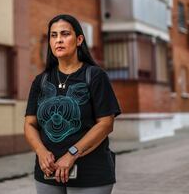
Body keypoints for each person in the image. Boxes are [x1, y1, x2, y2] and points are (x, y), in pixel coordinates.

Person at [24, 14, 121, 194]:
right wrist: (41, 152)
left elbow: (106, 124)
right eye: (53, 35)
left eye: (65, 34)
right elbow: (30, 124)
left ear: (79, 40)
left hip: (91, 173)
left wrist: (71, 154)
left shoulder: (95, 76)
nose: (58, 40)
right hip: (48, 172)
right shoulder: (41, 81)